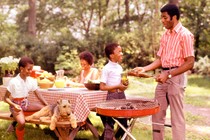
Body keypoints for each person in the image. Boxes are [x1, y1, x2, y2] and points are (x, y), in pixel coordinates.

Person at [134, 4, 195, 140]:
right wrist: (145, 68)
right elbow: (160, 60)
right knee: (156, 113)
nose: (162, 20)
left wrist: (169, 74)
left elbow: (190, 62)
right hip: (163, 77)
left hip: (176, 77)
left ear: (174, 17)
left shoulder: (185, 35)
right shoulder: (165, 35)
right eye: (161, 17)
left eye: (165, 17)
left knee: (176, 117)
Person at [4, 56, 48, 140]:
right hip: (15, 106)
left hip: (26, 104)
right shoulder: (13, 81)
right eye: (29, 69)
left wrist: (46, 104)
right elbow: (5, 98)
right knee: (22, 122)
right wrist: (13, 105)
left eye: (32, 69)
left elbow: (38, 94)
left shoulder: (31, 80)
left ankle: (25, 114)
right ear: (21, 68)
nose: (30, 72)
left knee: (45, 108)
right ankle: (19, 136)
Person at [99, 43, 129, 140]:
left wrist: (125, 85)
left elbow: (121, 85)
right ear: (112, 55)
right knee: (110, 124)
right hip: (111, 97)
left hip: (121, 96)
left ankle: (119, 137)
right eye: (119, 52)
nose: (122, 53)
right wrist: (117, 86)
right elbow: (102, 87)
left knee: (124, 122)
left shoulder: (119, 67)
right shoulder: (106, 69)